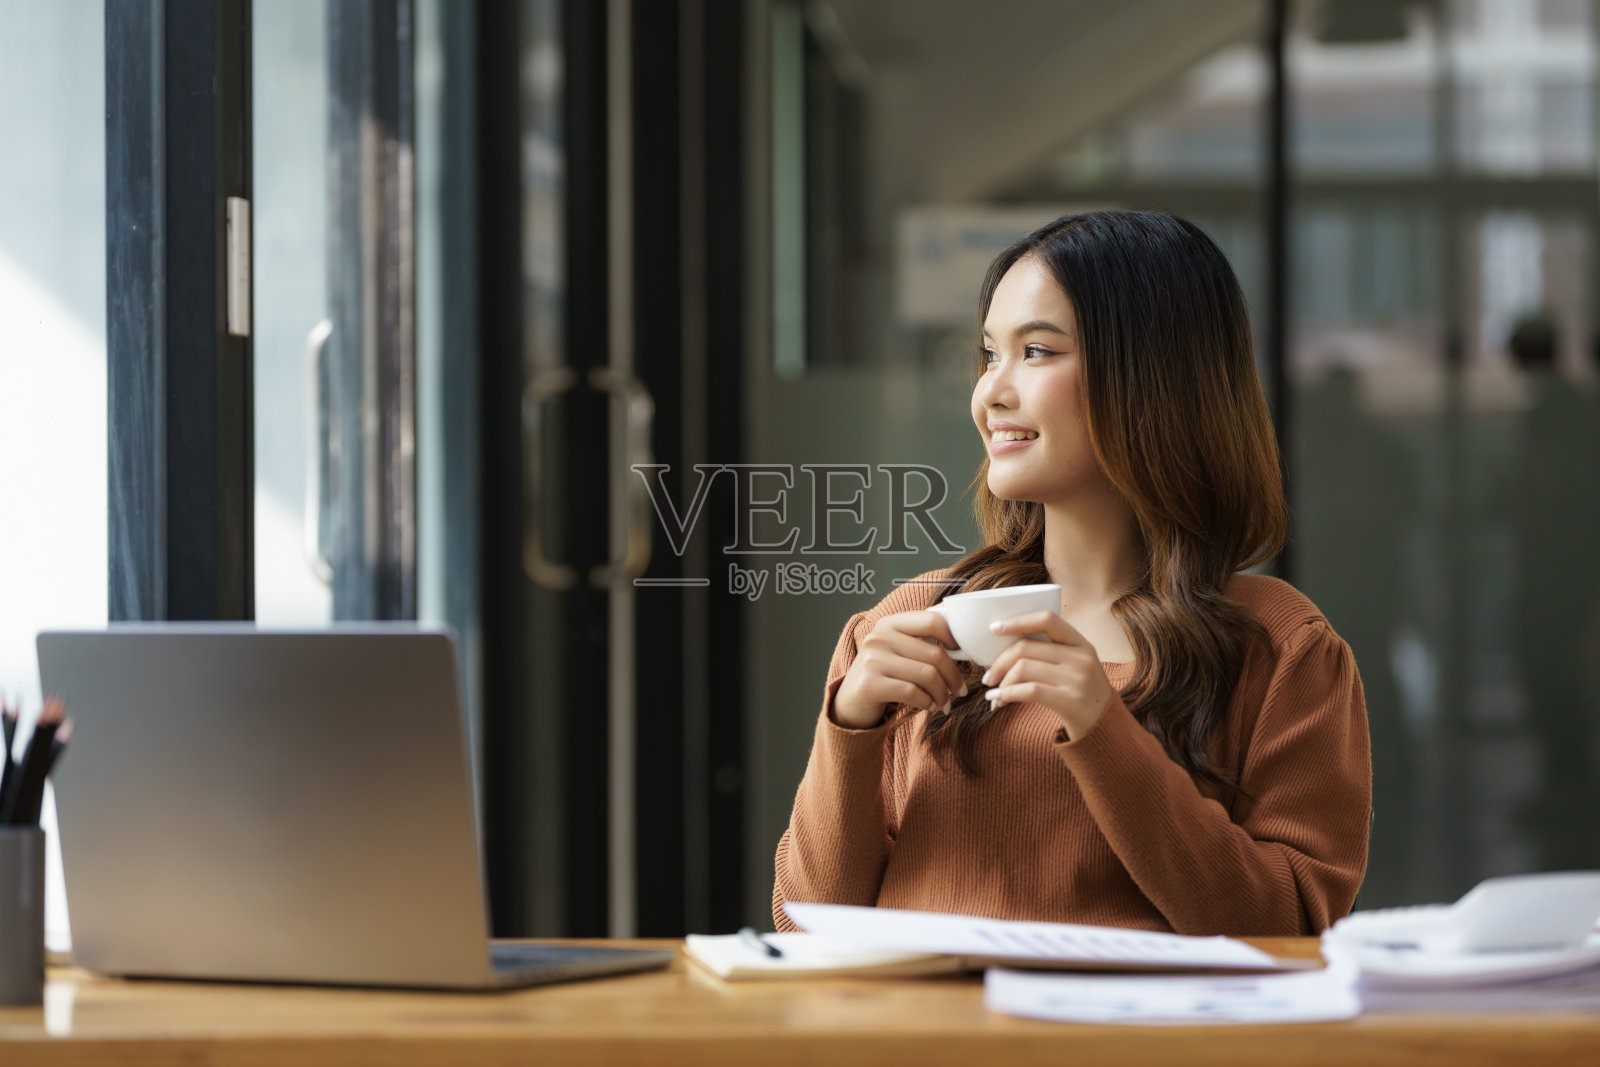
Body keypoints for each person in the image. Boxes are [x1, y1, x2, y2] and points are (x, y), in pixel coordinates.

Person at [772, 210, 1372, 937]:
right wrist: (851, 726)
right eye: (989, 354)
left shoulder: (1282, 649)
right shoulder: (908, 626)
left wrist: (1104, 729)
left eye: (1037, 351)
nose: (991, 392)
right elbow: (804, 924)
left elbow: (1287, 925)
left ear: (1152, 375)